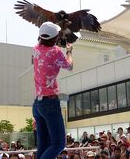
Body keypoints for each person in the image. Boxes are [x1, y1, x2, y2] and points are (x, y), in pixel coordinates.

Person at [32, 21, 73, 159]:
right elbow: (69, 66)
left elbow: (46, 43)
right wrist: (68, 51)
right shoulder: (55, 52)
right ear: (55, 38)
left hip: (37, 105)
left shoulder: (36, 49)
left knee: (43, 145)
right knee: (59, 143)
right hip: (49, 103)